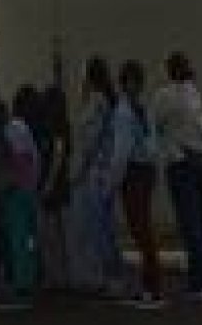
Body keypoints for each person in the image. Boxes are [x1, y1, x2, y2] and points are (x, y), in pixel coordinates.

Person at [152, 51, 202, 300]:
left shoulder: (165, 95)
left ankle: (198, 283)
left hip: (181, 162)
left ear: (170, 70)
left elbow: (155, 122)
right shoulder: (193, 91)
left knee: (190, 223)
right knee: (201, 218)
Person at [67, 55, 124, 296]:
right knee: (105, 226)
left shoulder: (96, 103)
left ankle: (107, 277)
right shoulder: (108, 101)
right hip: (106, 171)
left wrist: (79, 172)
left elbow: (91, 142)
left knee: (98, 227)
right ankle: (109, 276)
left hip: (95, 173)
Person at [110, 60, 162, 307]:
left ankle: (150, 286)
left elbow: (121, 150)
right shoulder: (143, 108)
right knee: (143, 228)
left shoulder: (123, 112)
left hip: (133, 172)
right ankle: (151, 282)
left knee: (140, 228)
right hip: (146, 169)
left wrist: (113, 180)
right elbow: (152, 142)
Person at [0, 87, 42, 303]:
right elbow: (33, 156)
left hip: (15, 189)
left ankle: (21, 283)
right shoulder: (22, 126)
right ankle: (32, 277)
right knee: (30, 237)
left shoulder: (4, 131)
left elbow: (13, 162)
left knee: (18, 238)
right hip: (29, 187)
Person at [39, 78, 72, 288]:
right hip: (61, 182)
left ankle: (54, 276)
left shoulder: (54, 126)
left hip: (53, 183)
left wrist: (48, 183)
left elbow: (58, 154)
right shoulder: (64, 124)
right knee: (58, 232)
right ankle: (60, 274)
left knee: (50, 232)